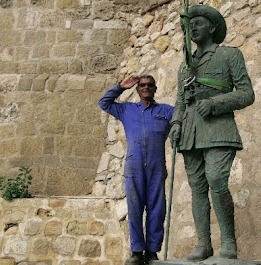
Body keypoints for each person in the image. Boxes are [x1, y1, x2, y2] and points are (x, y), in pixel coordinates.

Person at [169, 4, 255, 261]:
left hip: (219, 129)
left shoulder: (230, 56)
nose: (192, 27)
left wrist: (215, 103)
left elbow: (246, 94)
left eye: (199, 23)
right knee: (197, 188)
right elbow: (180, 101)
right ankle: (203, 244)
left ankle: (228, 241)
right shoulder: (185, 66)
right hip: (190, 132)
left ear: (213, 28)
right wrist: (175, 124)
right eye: (190, 24)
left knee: (217, 180)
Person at [99, 74, 174, 265]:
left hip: (156, 166)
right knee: (134, 208)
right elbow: (104, 103)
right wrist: (121, 87)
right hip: (134, 166)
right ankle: (136, 251)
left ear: (155, 89)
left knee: (157, 209)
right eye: (142, 85)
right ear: (138, 89)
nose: (146, 87)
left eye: (150, 85)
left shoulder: (166, 111)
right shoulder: (127, 110)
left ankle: (151, 251)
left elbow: (183, 117)